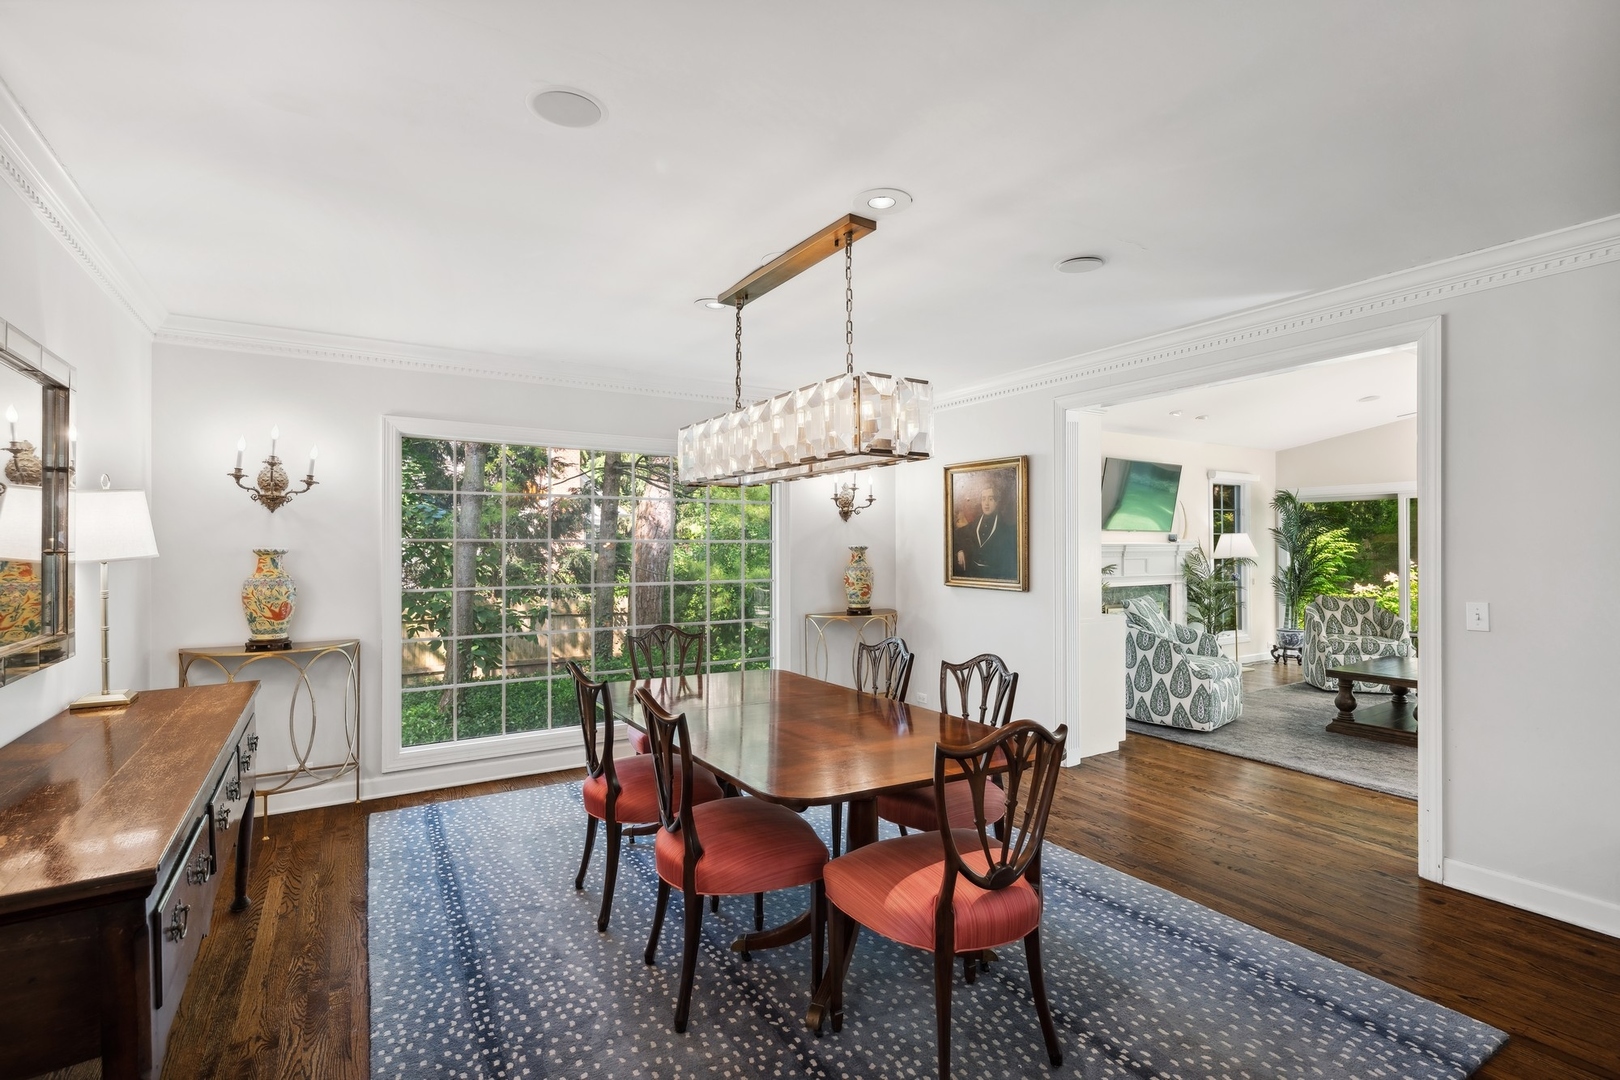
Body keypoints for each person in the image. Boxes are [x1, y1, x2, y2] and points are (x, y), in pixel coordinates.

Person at [954, 481, 1017, 580]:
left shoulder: (1006, 527)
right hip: (972, 575)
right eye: (983, 499)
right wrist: (959, 550)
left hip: (994, 577)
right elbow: (956, 534)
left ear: (996, 502)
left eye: (990, 499)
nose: (986, 503)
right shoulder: (976, 522)